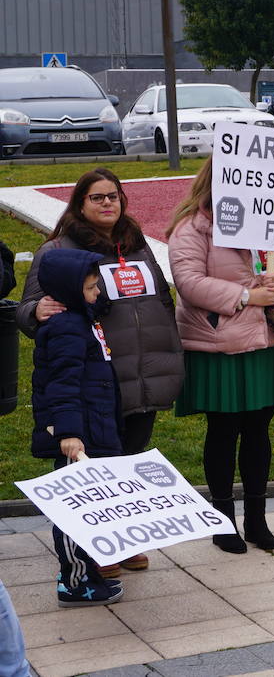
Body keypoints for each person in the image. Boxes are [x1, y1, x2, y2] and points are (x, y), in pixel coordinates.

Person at [18, 168, 183, 579]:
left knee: (129, 460)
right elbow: (28, 309)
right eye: (98, 197)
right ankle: (95, 548)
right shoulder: (57, 250)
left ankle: (126, 538)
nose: (108, 203)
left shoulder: (137, 242)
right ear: (80, 203)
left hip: (147, 372)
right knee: (96, 467)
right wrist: (35, 313)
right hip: (96, 379)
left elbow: (162, 300)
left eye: (114, 195)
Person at [169, 158, 274, 554]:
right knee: (224, 432)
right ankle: (222, 519)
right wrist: (246, 297)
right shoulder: (194, 227)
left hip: (267, 342)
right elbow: (189, 282)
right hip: (221, 345)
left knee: (259, 432)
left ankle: (257, 520)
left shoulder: (272, 219)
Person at [29, 249, 124, 608]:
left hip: (94, 428)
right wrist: (69, 433)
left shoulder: (82, 319)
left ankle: (88, 572)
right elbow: (63, 385)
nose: (96, 292)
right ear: (70, 292)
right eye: (89, 288)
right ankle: (74, 581)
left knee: (93, 507)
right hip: (77, 437)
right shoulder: (67, 328)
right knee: (74, 512)